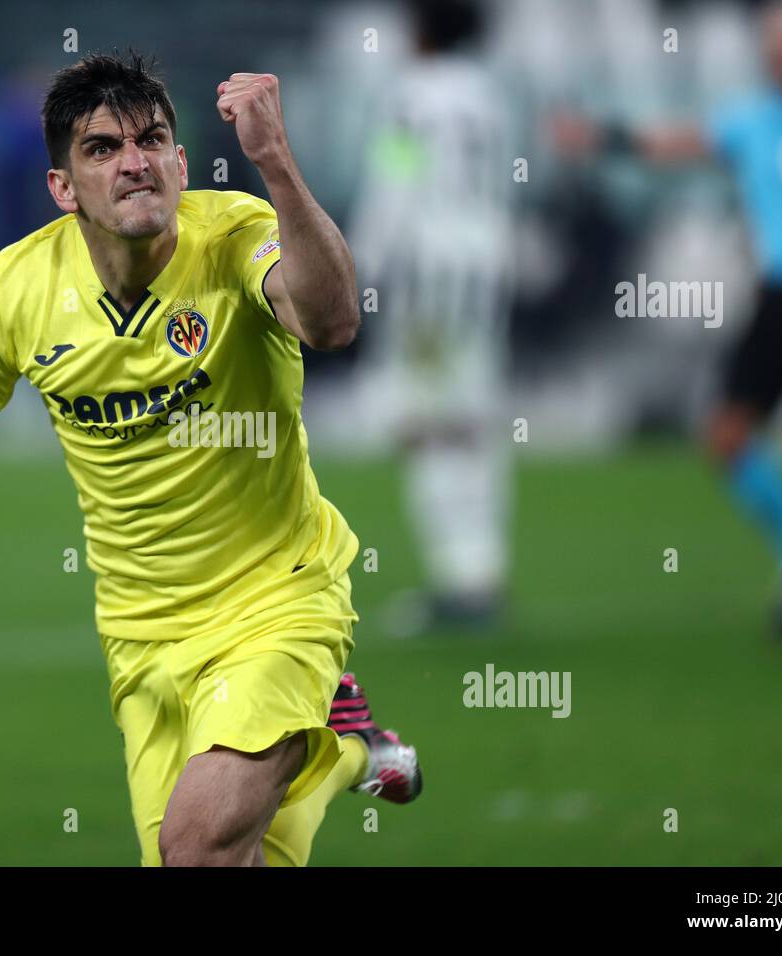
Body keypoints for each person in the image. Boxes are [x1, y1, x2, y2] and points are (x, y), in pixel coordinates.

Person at [0, 51, 421, 866]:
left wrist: (277, 167)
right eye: (104, 148)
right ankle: (350, 750)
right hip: (142, 638)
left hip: (277, 600)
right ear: (62, 187)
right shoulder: (16, 291)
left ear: (182, 163)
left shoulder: (238, 238)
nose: (136, 163)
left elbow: (332, 324)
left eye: (153, 140)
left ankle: (330, 728)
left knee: (195, 848)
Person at [555, 1, 782, 646]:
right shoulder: (752, 118)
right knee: (726, 435)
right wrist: (603, 139)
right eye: (778, 48)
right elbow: (679, 144)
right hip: (779, 297)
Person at [347, 0, 516, 634]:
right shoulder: (491, 95)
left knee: (425, 421)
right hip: (485, 266)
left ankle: (459, 578)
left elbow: (394, 184)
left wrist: (359, 268)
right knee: (474, 416)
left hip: (427, 271)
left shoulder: (410, 94)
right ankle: (484, 570)